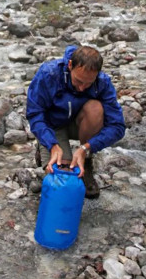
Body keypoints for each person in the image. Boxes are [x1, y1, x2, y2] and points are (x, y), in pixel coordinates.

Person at [26, 45, 125, 198]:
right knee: (62, 179)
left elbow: (117, 127)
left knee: (95, 108)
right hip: (53, 127)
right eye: (78, 81)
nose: (81, 88)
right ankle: (45, 147)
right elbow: (35, 114)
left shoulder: (102, 82)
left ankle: (85, 162)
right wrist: (51, 144)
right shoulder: (48, 74)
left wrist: (87, 148)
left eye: (88, 84)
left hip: (80, 124)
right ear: (70, 65)